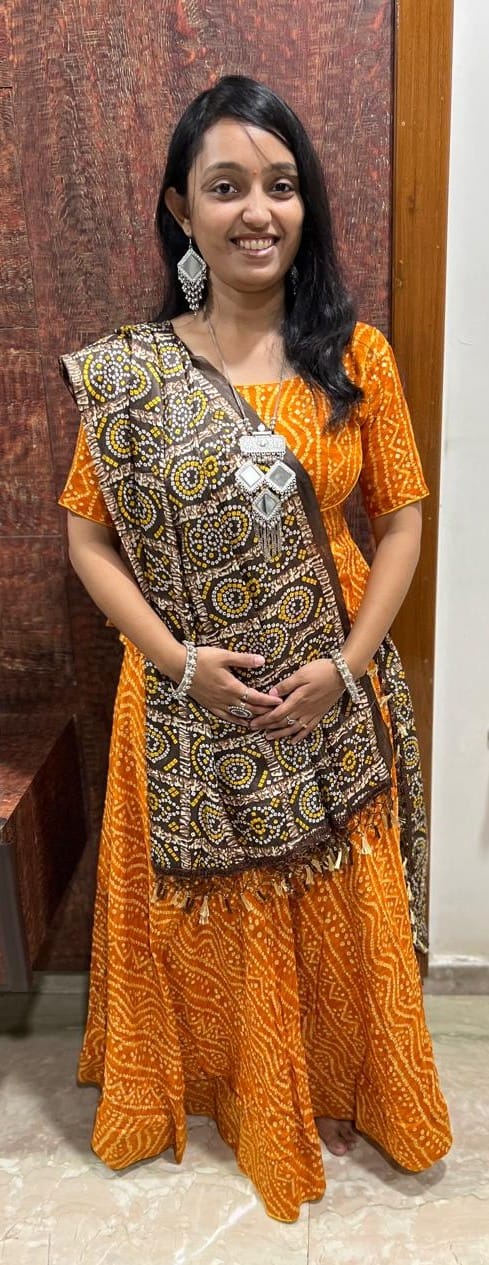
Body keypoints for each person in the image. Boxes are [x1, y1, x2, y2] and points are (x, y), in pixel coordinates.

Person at [58, 75, 451, 1222]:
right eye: (226, 186)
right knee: (216, 910)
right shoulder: (131, 376)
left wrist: (348, 668)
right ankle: (234, 1083)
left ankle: (336, 1077)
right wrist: (180, 663)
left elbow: (402, 519)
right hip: (185, 705)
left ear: (305, 202)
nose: (258, 210)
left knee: (335, 899)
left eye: (281, 184)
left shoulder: (355, 355)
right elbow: (88, 538)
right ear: (181, 209)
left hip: (332, 693)